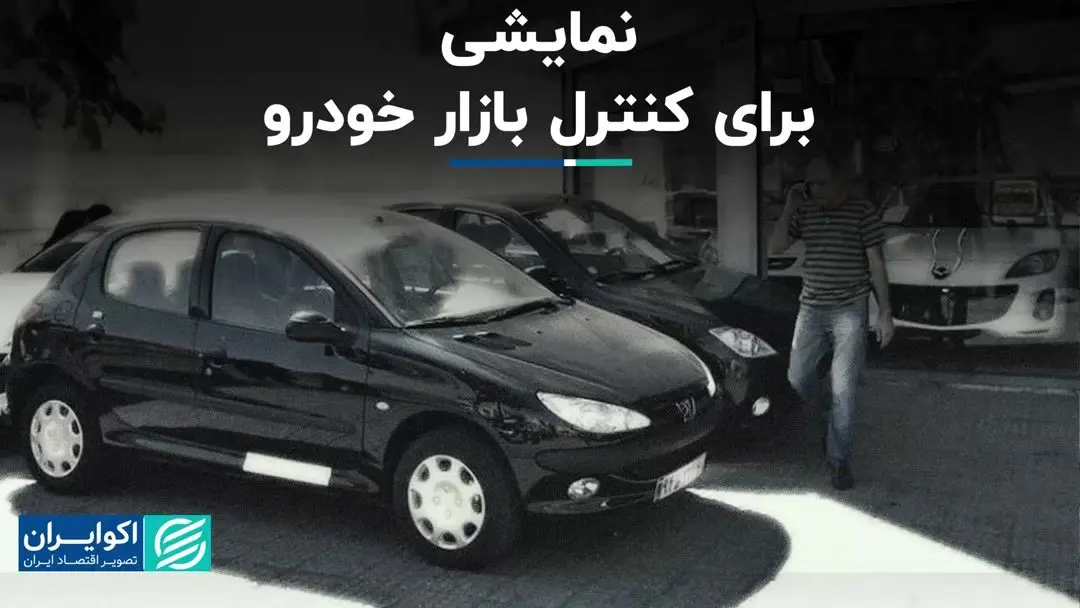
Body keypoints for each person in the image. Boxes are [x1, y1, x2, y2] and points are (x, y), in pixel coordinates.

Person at [768, 157, 895, 491]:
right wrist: (789, 207)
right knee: (797, 379)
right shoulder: (806, 211)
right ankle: (830, 415)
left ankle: (839, 462)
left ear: (840, 181)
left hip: (849, 309)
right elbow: (776, 246)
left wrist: (885, 313)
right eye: (810, 183)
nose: (815, 189)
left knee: (844, 389)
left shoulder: (862, 211)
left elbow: (877, 264)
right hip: (811, 308)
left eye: (821, 182)